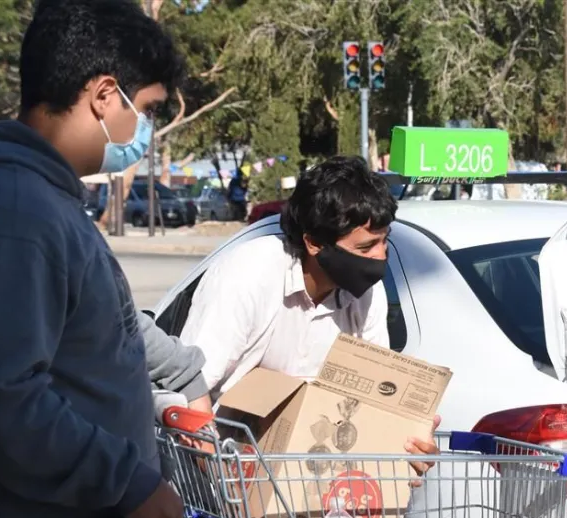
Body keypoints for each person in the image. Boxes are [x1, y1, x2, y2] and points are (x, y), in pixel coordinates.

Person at [0, 1, 191, 518]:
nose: (146, 128)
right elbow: (5, 394)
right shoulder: (20, 210)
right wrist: (129, 483)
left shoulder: (44, 200)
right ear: (104, 95)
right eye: (148, 107)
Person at [180, 154, 438, 465]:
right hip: (228, 472)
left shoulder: (368, 296)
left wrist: (408, 440)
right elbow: (192, 387)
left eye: (385, 241)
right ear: (314, 243)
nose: (380, 256)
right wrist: (220, 473)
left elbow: (374, 401)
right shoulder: (249, 274)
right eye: (365, 247)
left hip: (313, 474)